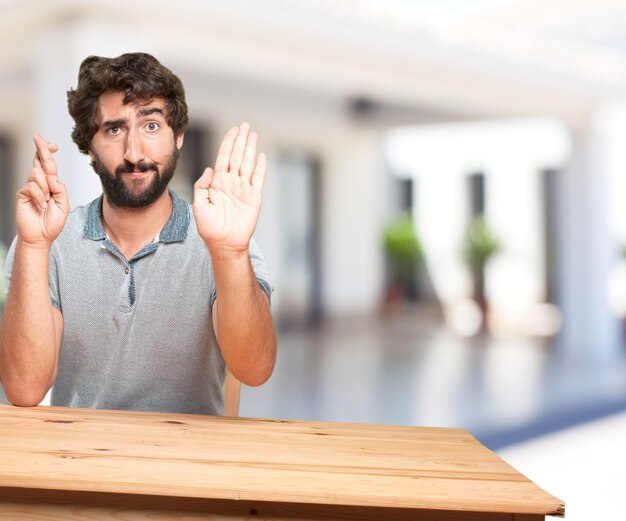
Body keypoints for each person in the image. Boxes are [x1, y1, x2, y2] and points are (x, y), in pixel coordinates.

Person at [0, 52, 276, 415]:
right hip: (80, 462)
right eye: (114, 129)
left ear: (177, 136)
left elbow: (255, 370)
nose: (133, 153)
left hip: (191, 465)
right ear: (90, 148)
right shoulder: (49, 240)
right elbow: (24, 389)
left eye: (151, 126)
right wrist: (35, 245)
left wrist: (229, 253)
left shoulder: (221, 238)